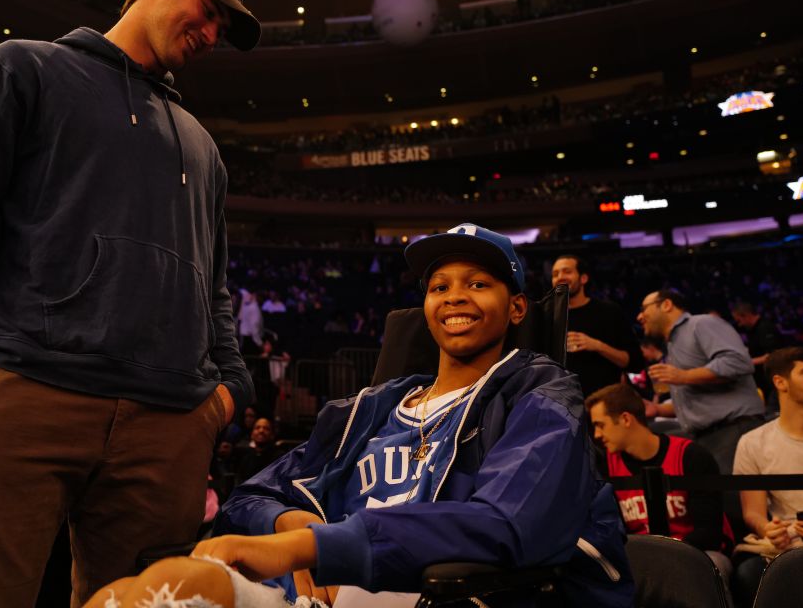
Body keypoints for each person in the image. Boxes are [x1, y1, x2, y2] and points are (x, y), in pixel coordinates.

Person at [0, 0, 259, 606]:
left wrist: (225, 393)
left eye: (223, 31)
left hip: (169, 419)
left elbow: (213, 286)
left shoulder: (204, 146)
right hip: (23, 393)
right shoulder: (22, 68)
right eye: (209, 12)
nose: (212, 35)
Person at [87, 223, 634, 608]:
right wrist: (291, 524)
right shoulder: (370, 408)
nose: (454, 297)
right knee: (124, 591)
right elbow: (247, 501)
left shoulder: (541, 393)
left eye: (478, 283)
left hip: (447, 594)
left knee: (177, 585)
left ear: (517, 307)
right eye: (439, 286)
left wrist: (318, 547)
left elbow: (509, 524)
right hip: (322, 596)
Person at [586, 383, 734, 577]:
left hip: (696, 553)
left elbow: (709, 534)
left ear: (625, 419)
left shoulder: (690, 456)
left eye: (600, 425)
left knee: (709, 566)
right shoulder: (606, 467)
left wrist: (664, 554)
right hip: (639, 557)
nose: (597, 435)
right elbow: (613, 533)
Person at [731, 347, 803, 607]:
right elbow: (752, 512)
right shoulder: (753, 443)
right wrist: (769, 529)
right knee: (747, 573)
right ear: (780, 382)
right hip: (787, 545)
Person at [637, 289, 765, 472]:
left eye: (644, 309)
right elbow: (694, 396)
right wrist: (657, 409)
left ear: (666, 305)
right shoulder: (673, 344)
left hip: (733, 429)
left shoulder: (701, 324)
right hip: (709, 436)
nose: (639, 316)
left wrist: (684, 376)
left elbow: (738, 362)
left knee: (735, 498)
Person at [550, 255, 644, 396]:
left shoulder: (609, 312)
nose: (560, 277)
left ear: (583, 278)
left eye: (567, 271)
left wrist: (597, 346)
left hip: (604, 404)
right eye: (555, 274)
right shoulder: (547, 316)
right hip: (559, 404)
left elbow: (635, 362)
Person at [233, 417, 285, 484]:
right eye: (257, 428)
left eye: (266, 428)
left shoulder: (279, 458)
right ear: (252, 434)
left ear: (272, 435)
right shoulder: (246, 457)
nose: (261, 431)